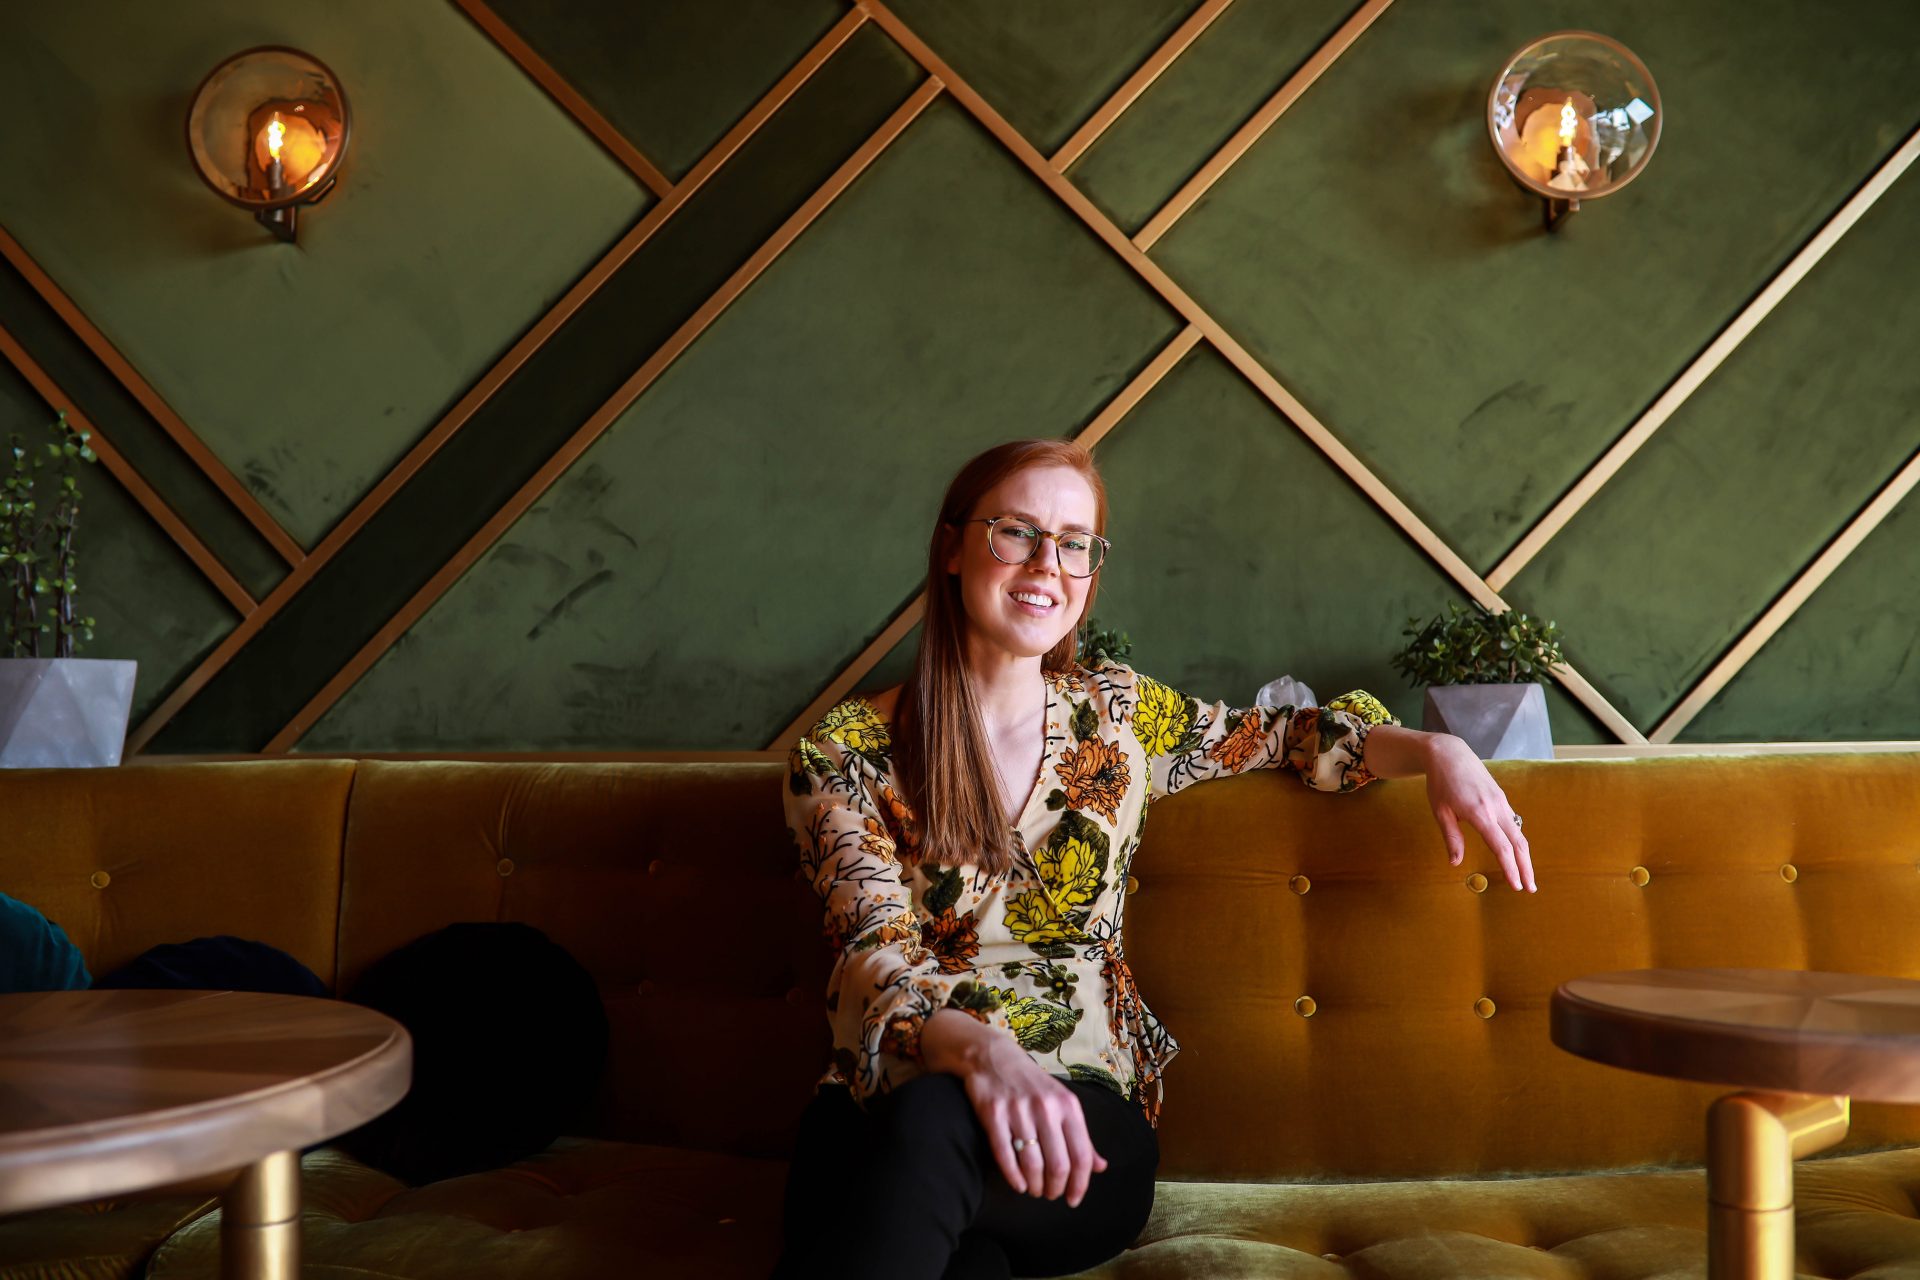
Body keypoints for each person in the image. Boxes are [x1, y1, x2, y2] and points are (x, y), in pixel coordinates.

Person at [773, 439, 1536, 1279]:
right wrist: (983, 1054)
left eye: (1074, 543)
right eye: (1016, 532)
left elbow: (1285, 736)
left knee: (927, 1144)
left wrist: (1439, 749)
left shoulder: (1121, 716)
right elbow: (870, 945)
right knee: (959, 1236)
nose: (1046, 565)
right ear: (953, 547)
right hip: (887, 1096)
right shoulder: (847, 750)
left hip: (1081, 1119)